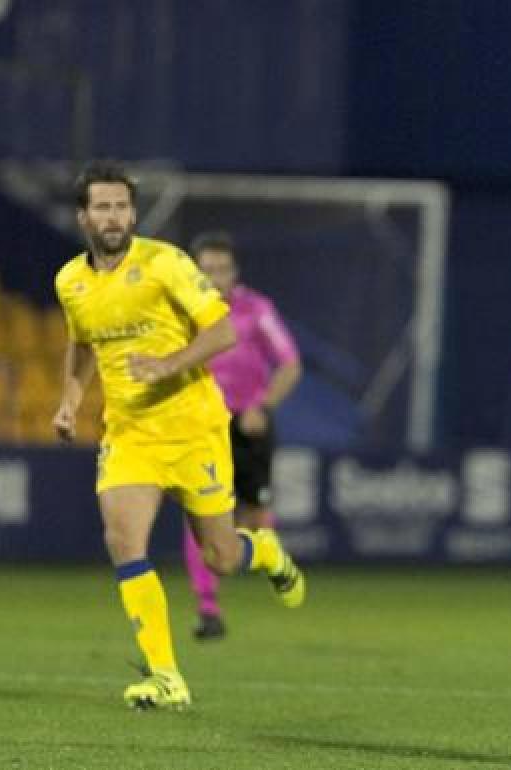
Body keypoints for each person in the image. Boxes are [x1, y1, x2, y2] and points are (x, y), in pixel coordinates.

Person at [51, 160, 306, 710]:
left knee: (220, 557)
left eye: (121, 206)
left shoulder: (166, 263)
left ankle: (261, 551)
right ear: (83, 216)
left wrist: (167, 365)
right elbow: (81, 343)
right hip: (129, 433)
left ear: (133, 212)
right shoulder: (70, 280)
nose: (113, 216)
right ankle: (168, 678)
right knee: (123, 540)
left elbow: (222, 331)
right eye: (102, 206)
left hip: (194, 428)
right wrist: (70, 402)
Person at [182, 232, 303, 641]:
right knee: (199, 517)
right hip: (200, 427)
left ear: (235, 273)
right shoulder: (181, 312)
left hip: (247, 426)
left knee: (254, 517)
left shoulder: (256, 310)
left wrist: (263, 407)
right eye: (207, 270)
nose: (215, 278)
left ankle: (270, 560)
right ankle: (208, 608)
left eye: (222, 269)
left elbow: (289, 364)